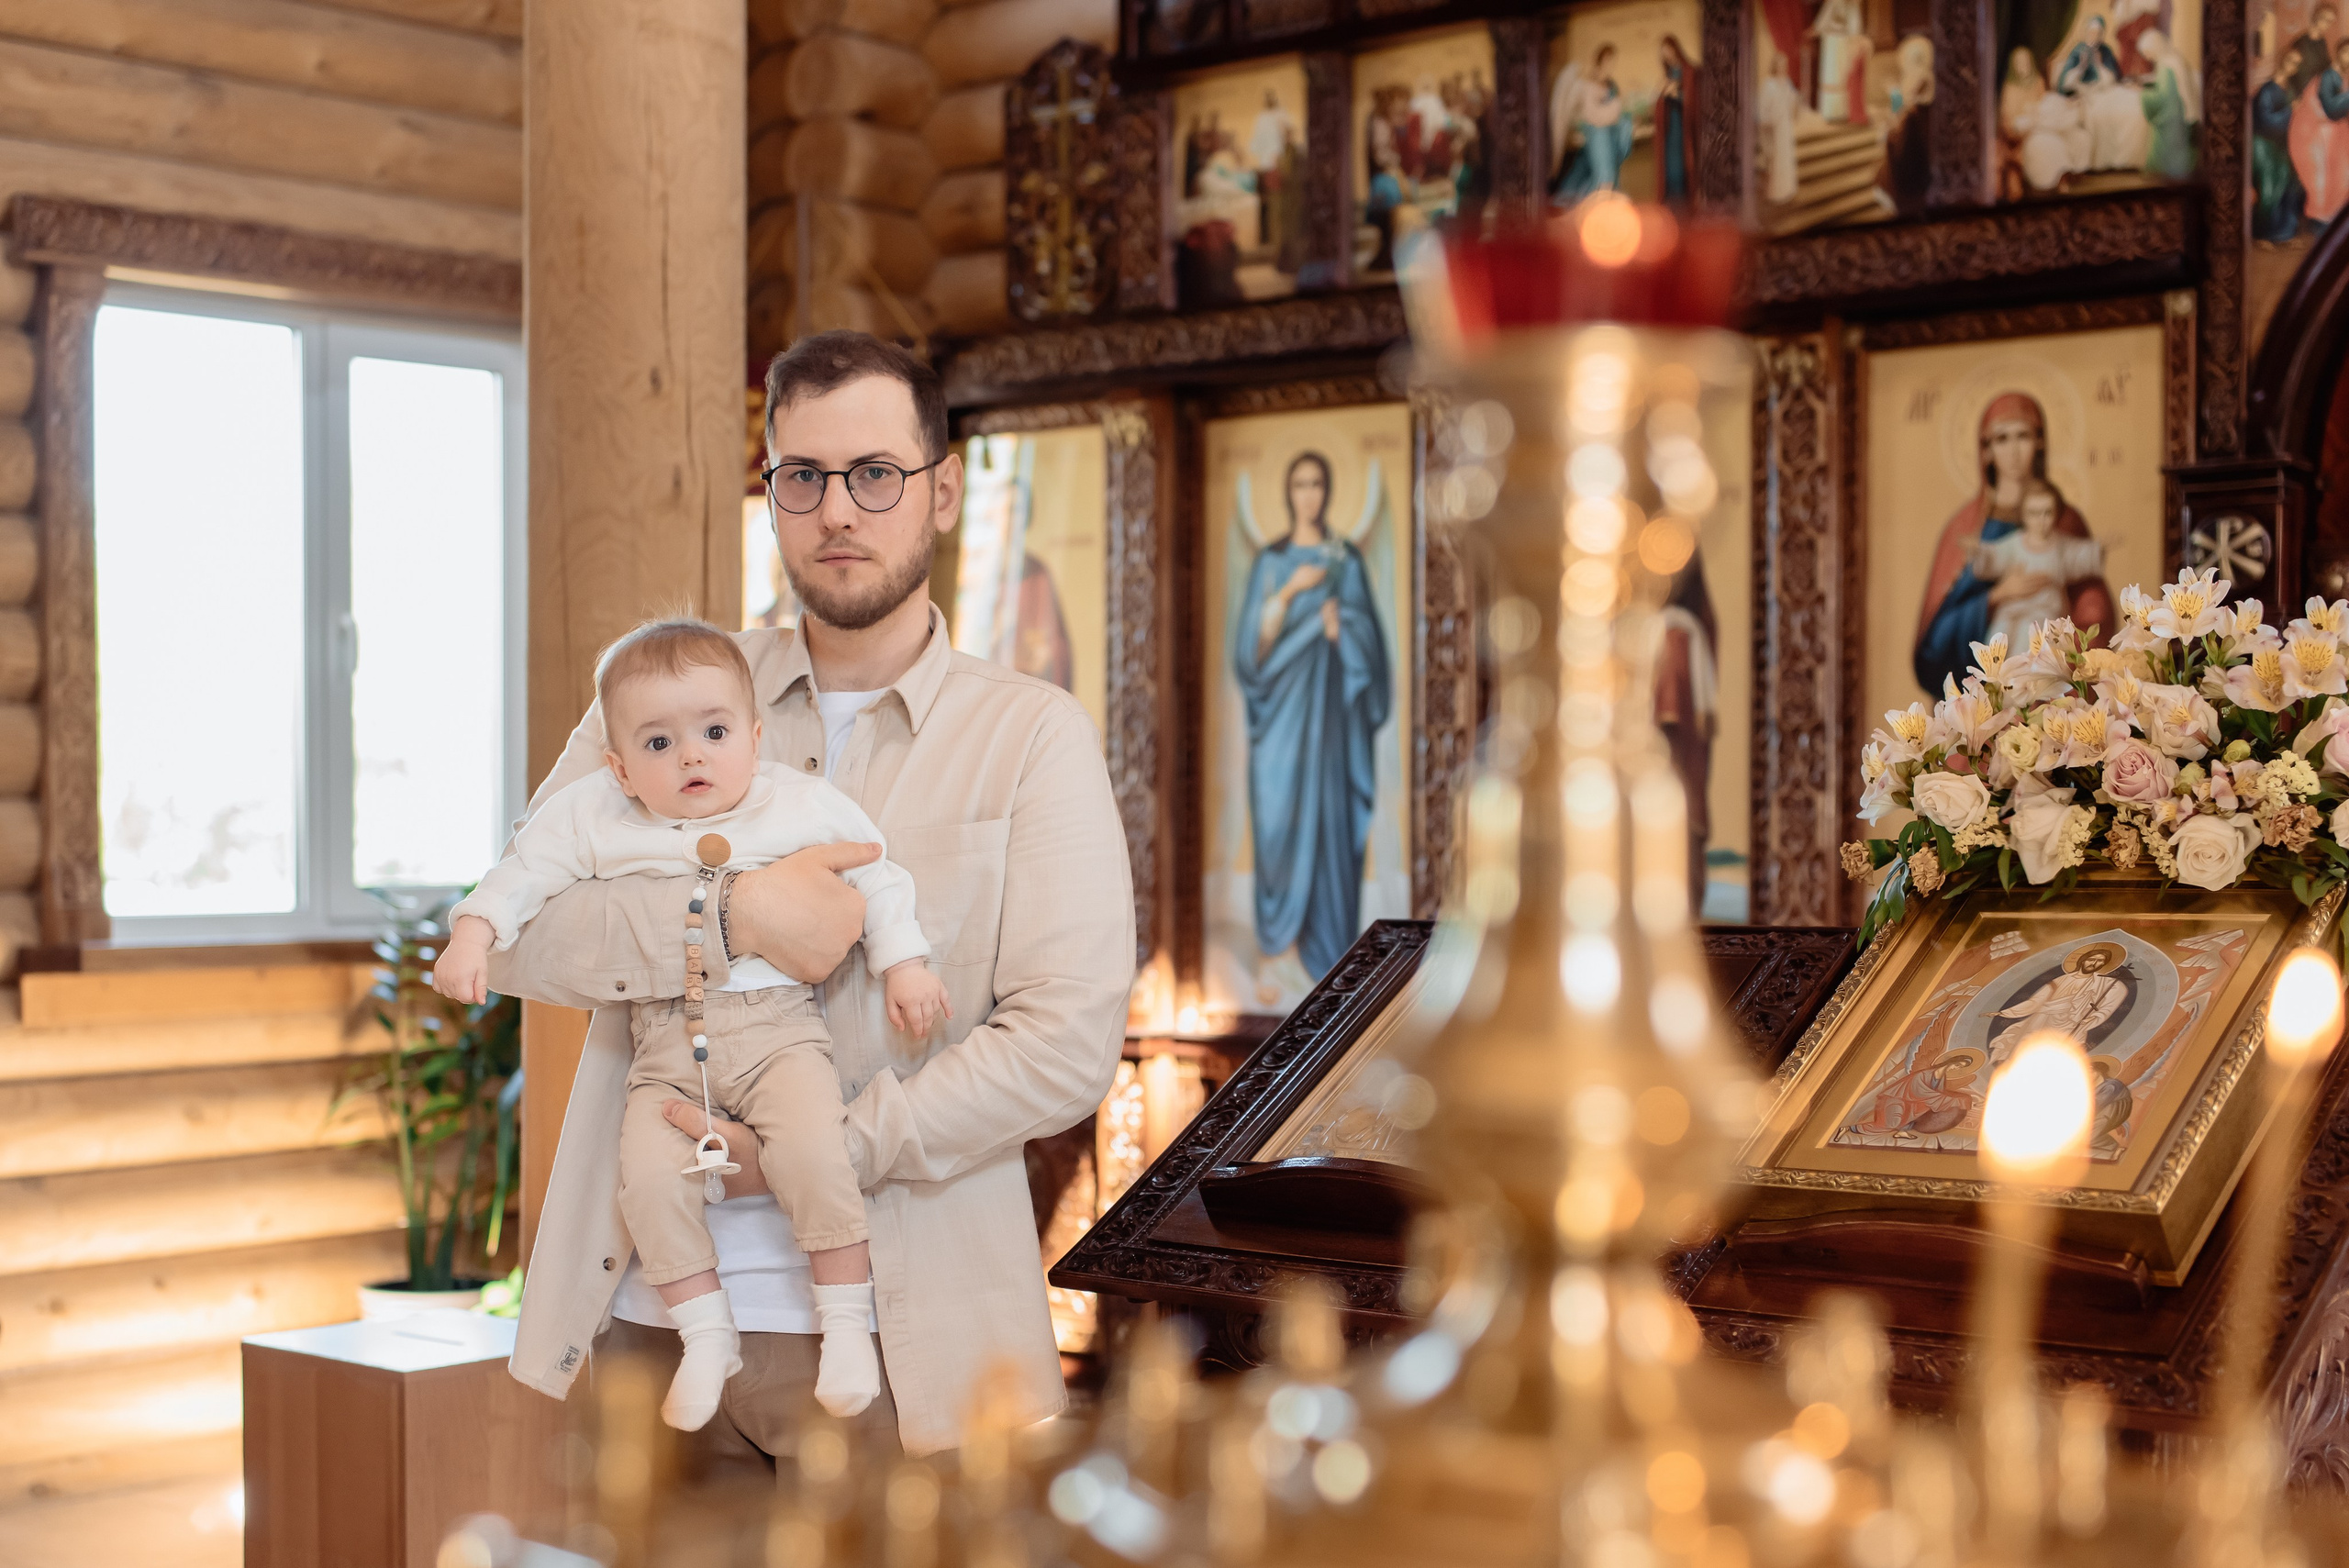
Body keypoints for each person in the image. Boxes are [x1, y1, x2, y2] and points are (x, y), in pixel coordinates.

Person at [496, 329, 1136, 1466]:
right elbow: (520, 935)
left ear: (942, 491)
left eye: (876, 474)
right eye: (804, 476)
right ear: (774, 492)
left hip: (908, 1350)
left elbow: (1066, 1043)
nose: (839, 509)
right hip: (653, 1327)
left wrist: (814, 1149)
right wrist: (729, 918)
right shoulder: (657, 694)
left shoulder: (1031, 735)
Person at [436, 617, 947, 1431]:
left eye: (714, 733)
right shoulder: (595, 815)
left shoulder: (797, 801)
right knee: (643, 1177)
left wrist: (906, 962)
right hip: (665, 1045)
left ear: (752, 735)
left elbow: (876, 873)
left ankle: (845, 1323)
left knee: (816, 1150)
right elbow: (523, 872)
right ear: (621, 767)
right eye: (660, 743)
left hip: (780, 1033)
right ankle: (706, 1332)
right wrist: (473, 932)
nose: (693, 757)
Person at [1231, 450, 1391, 983]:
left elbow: (1371, 650)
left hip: (1332, 728)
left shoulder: (1344, 560)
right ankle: (1277, 955)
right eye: (1299, 483)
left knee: (1329, 826)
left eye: (1318, 483)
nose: (1309, 494)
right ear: (1287, 492)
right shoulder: (1270, 564)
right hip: (1280, 726)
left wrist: (1339, 628)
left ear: (1327, 490)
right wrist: (1293, 592)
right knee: (1278, 824)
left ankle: (1334, 958)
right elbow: (1249, 655)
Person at [1911, 392, 2114, 696]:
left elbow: (2093, 607)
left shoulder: (2065, 521)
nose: (2014, 451)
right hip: (1986, 692)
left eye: (2023, 436)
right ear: (1987, 450)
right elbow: (1934, 645)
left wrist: (2066, 648)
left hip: (2051, 678)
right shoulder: (1967, 525)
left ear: (2039, 442)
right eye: (2002, 439)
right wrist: (1997, 596)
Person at [1969, 477, 2105, 652]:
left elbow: (2079, 557)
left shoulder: (2061, 546)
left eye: (2047, 513)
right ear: (2023, 514)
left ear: (2057, 514)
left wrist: (2099, 549)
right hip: (2011, 610)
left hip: (2044, 613)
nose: (2041, 520)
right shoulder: (2014, 543)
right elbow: (1994, 558)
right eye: (2033, 513)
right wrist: (1979, 552)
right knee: (1997, 639)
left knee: (2029, 644)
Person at [1987, 942, 2131, 1065]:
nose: (2094, 963)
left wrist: (2093, 1018)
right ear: (2083, 960)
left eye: (2100, 962)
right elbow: (2035, 1002)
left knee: (2057, 1053)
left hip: (2071, 1024)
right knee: (2026, 1045)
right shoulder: (2060, 980)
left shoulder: (2104, 984)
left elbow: (2108, 1006)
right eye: (2092, 959)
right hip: (2042, 1018)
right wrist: (2004, 1012)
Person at [1550, 44, 1632, 202]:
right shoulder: (1586, 84)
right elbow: (1591, 114)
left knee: (1602, 174)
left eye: (1613, 62)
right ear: (1601, 61)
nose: (1611, 66)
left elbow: (1616, 113)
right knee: (1603, 176)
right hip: (1597, 135)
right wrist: (1614, 107)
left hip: (1609, 134)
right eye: (1608, 61)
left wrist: (1620, 115)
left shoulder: (1611, 85)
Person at [2292, 36, 2349, 224]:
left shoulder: (2342, 76)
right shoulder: (2329, 76)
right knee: (2328, 176)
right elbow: (2331, 110)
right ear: (2339, 53)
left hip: (2333, 131)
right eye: (2347, 52)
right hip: (2316, 132)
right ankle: (2322, 218)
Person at [2254, 48, 2310, 241]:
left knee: (2290, 185)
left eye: (2297, 64)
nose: (2293, 67)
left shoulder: (2290, 89)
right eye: (2291, 61)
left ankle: (2284, 234)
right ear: (2282, 61)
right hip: (2264, 145)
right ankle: (2262, 235)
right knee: (2270, 190)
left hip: (2283, 144)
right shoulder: (2267, 90)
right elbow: (2265, 120)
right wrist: (2290, 110)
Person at [2136, 28, 2199, 180]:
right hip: (2182, 115)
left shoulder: (2165, 66)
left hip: (2171, 119)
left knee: (2161, 162)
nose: (2147, 56)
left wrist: (2143, 94)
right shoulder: (2174, 59)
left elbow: (2163, 99)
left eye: (2147, 52)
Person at [1656, 36, 1702, 207]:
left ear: (1675, 48)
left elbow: (1694, 101)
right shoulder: (1668, 74)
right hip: (1671, 127)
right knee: (1670, 165)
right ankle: (1673, 203)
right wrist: (1662, 96)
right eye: (1663, 51)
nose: (1666, 54)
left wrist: (1676, 95)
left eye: (1668, 49)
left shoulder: (1690, 71)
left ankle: (1685, 202)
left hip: (1685, 127)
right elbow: (1661, 102)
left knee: (1686, 163)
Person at [1757, 50, 1802, 205]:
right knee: (1776, 160)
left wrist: (1794, 99)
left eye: (1785, 65)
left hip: (1785, 126)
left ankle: (1788, 189)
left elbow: (1792, 99)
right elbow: (1762, 110)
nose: (1783, 68)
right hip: (1775, 128)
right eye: (1780, 65)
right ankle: (1776, 193)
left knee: (1786, 157)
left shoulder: (1787, 82)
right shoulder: (1768, 84)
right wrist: (1771, 120)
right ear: (1775, 66)